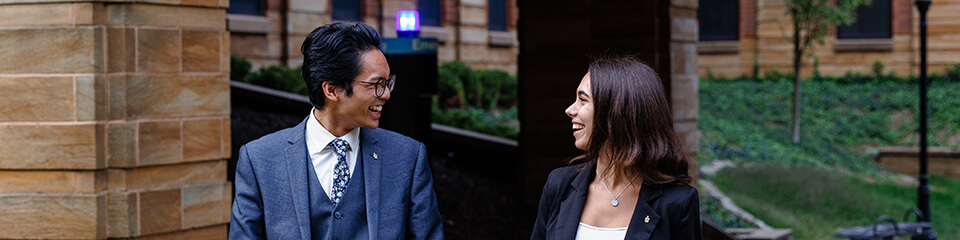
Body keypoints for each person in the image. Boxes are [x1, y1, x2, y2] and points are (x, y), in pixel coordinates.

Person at [229, 22, 444, 240]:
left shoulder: (408, 156)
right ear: (332, 90)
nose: (386, 94)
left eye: (388, 83)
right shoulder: (259, 159)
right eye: (376, 84)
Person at [530, 56, 701, 240]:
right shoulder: (559, 185)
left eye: (582, 100)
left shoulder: (677, 202)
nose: (570, 110)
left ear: (616, 111)